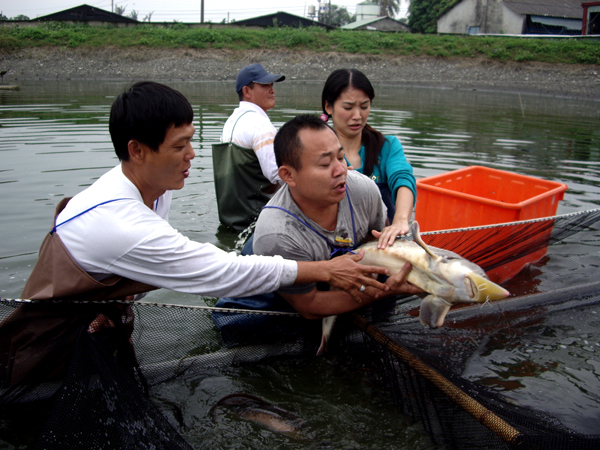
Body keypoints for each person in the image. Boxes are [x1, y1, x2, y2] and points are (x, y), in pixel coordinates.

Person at [0, 83, 391, 387]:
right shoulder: (120, 222)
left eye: (191, 140)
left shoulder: (153, 189)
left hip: (92, 325)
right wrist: (325, 270)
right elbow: (223, 272)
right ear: (137, 150)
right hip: (43, 351)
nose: (192, 154)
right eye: (180, 145)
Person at [216, 115, 421, 329]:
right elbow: (310, 306)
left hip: (324, 289)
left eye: (341, 158)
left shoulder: (363, 190)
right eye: (325, 164)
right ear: (288, 175)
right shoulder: (277, 234)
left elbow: (375, 245)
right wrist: (386, 289)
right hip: (259, 312)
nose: (341, 170)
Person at [321, 68, 417, 249]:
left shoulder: (387, 146)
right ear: (328, 107)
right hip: (336, 246)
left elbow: (403, 179)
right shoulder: (317, 151)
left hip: (385, 242)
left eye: (364, 106)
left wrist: (400, 221)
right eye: (348, 107)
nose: (357, 116)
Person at [212, 63, 285, 232]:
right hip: (259, 221)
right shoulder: (260, 124)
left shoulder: (230, 122)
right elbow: (277, 174)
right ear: (247, 91)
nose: (272, 90)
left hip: (231, 218)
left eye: (272, 85)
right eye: (265, 85)